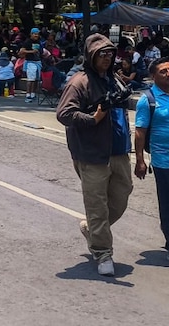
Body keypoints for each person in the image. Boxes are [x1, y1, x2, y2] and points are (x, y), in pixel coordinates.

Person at [56, 34, 133, 277]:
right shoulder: (80, 82)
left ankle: (92, 228)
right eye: (102, 53)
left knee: (121, 198)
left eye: (110, 53)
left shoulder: (113, 79)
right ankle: (102, 253)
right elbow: (64, 114)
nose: (107, 57)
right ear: (91, 56)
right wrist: (93, 118)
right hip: (92, 154)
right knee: (97, 206)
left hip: (119, 150)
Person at [134, 57, 169, 266]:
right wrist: (140, 160)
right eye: (163, 71)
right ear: (153, 76)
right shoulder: (147, 100)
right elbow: (140, 132)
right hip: (163, 162)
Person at [19, 28, 44, 102]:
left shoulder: (39, 42)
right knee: (31, 79)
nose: (36, 35)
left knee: (36, 79)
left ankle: (33, 94)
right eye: (35, 34)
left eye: (37, 34)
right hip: (30, 62)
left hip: (38, 62)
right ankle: (28, 95)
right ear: (31, 34)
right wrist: (31, 51)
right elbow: (22, 51)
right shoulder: (27, 41)